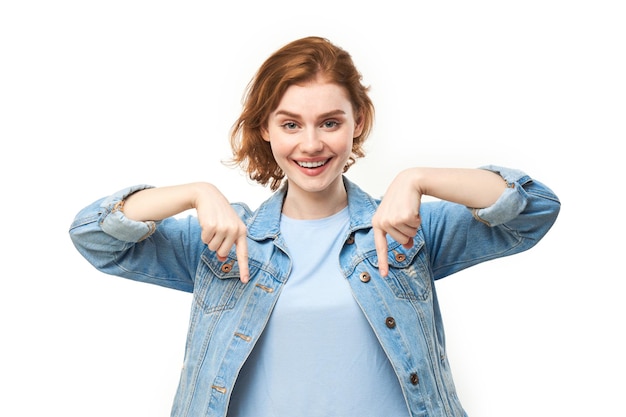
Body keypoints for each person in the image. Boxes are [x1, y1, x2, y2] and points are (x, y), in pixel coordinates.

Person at [69, 36, 560, 417]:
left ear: (358, 121)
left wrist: (420, 178)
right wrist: (193, 193)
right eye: (290, 124)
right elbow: (94, 237)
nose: (311, 145)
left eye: (329, 122)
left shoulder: (408, 229)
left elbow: (535, 208)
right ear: (266, 128)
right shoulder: (222, 243)